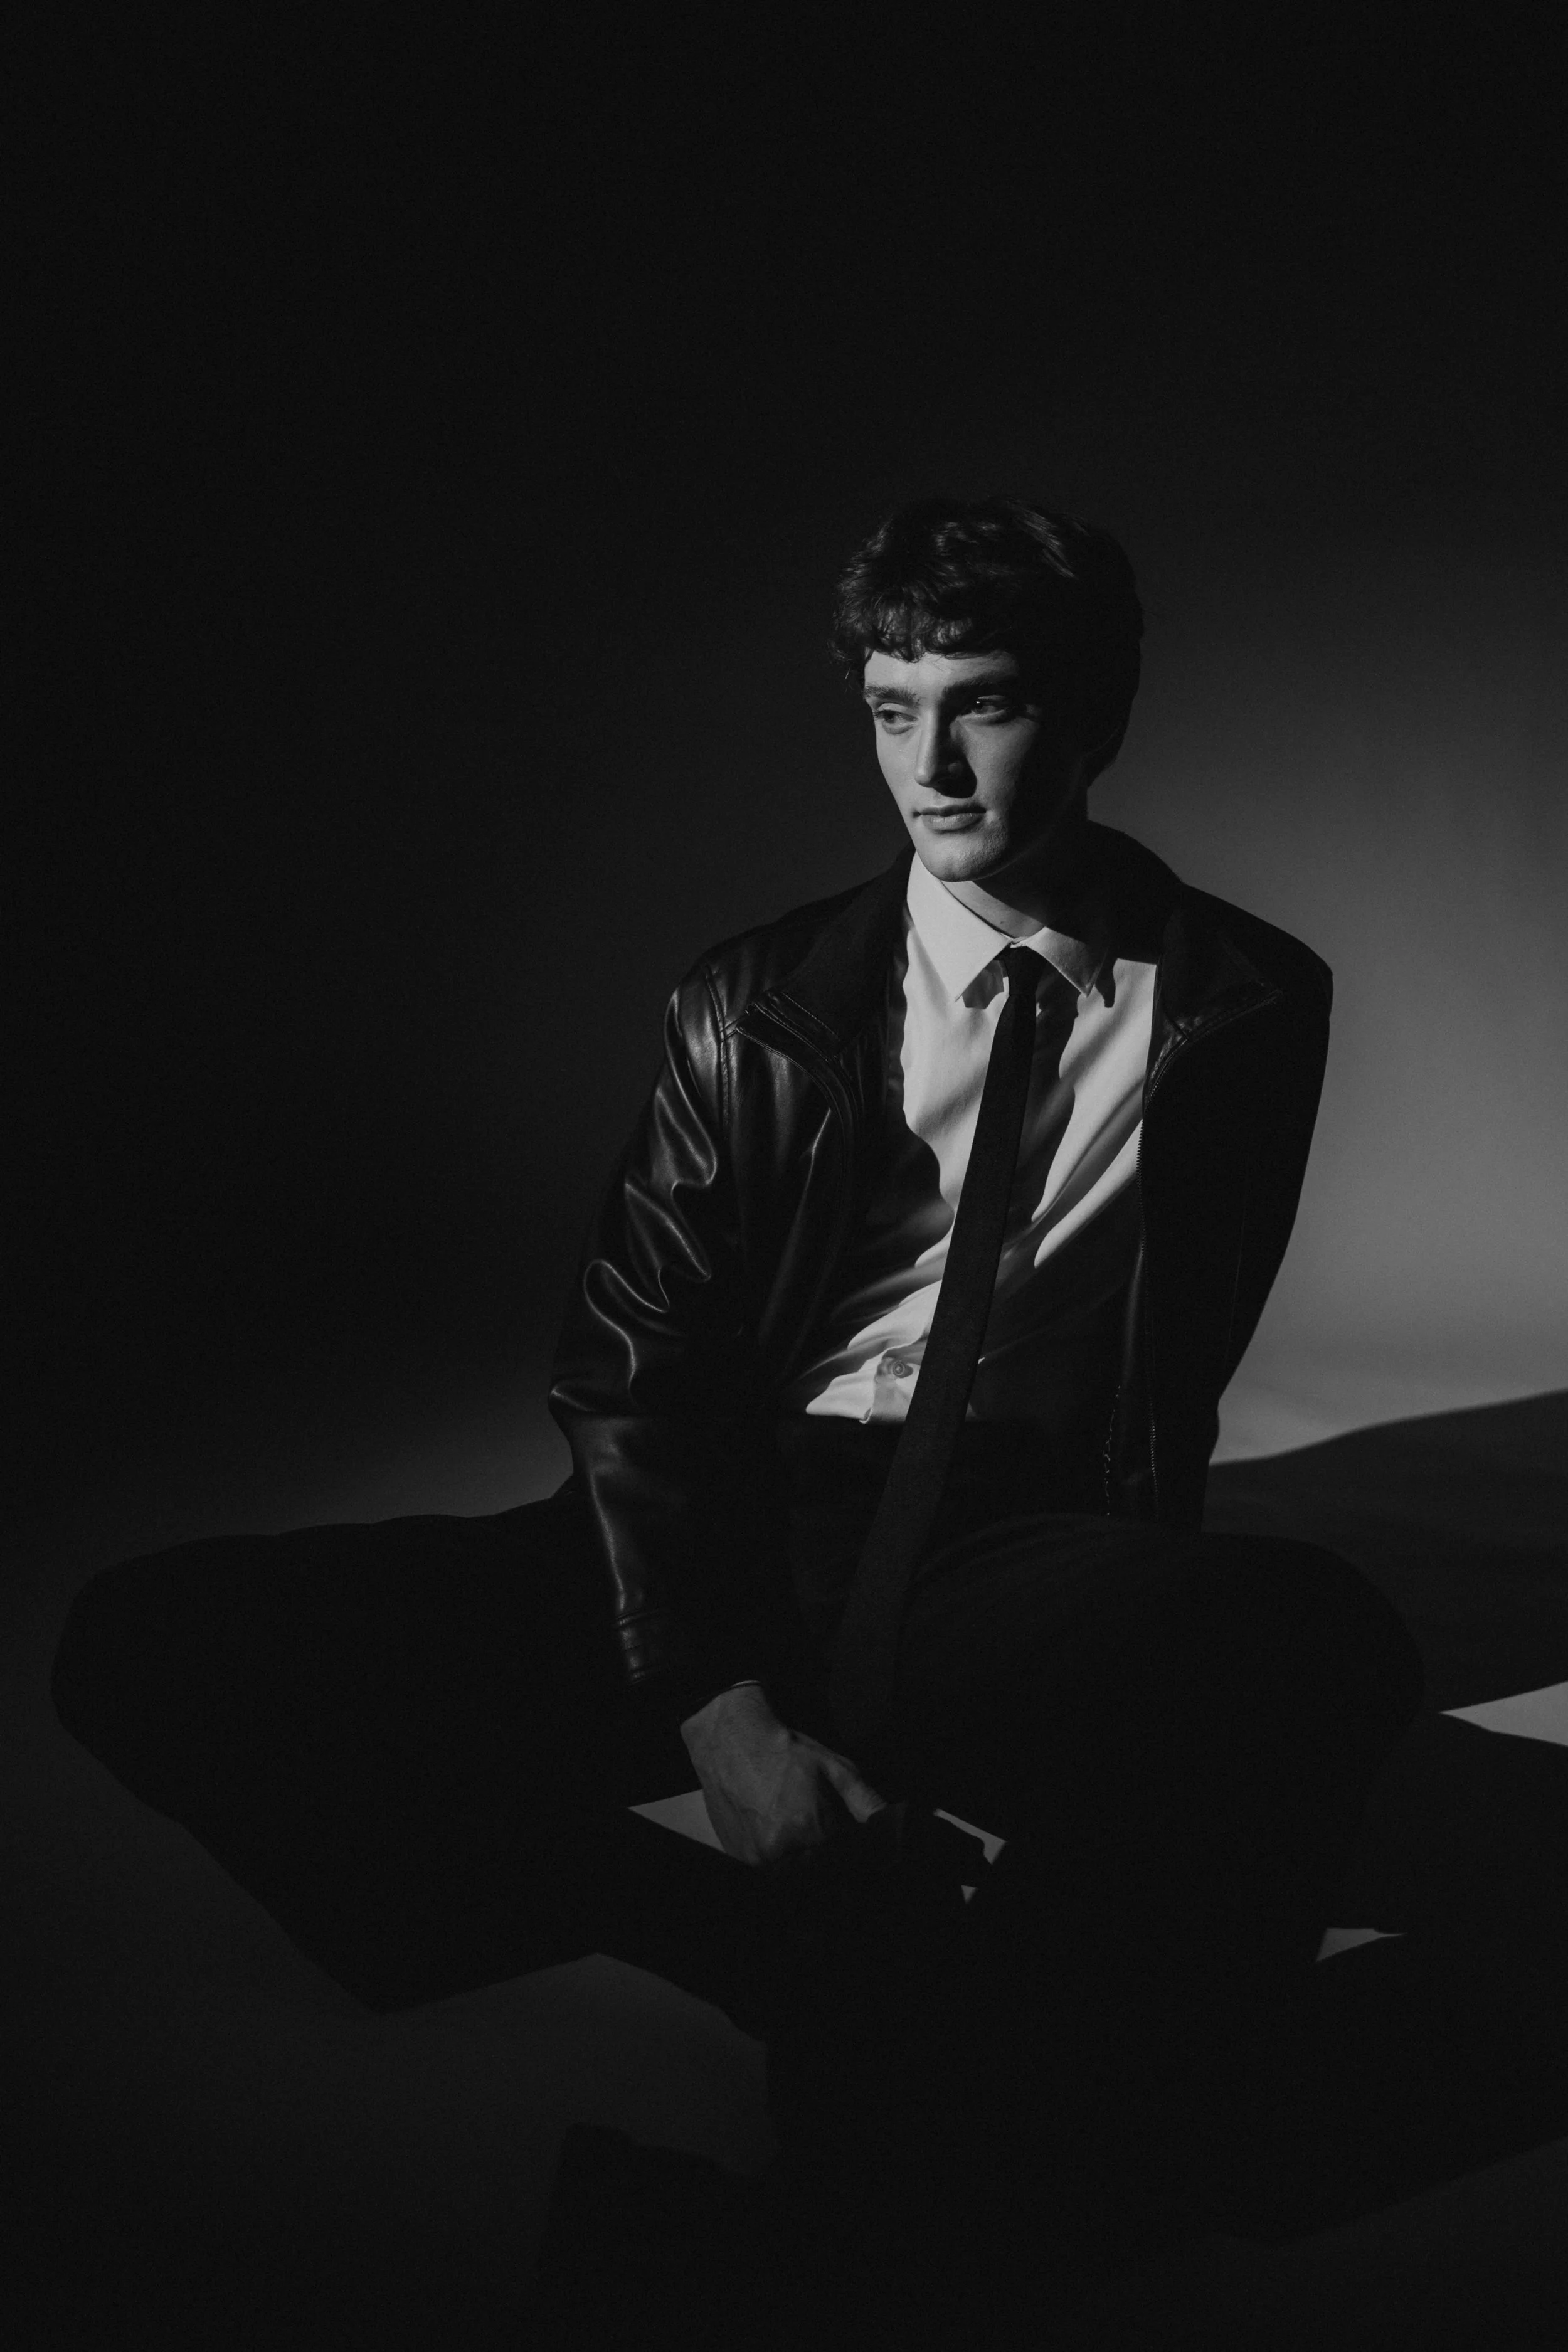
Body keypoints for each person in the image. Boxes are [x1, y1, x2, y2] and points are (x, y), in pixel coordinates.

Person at [53, 497, 1422, 2345]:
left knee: (1316, 1639)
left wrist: (1113, 1616)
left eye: (984, 703)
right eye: (886, 704)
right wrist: (721, 1704)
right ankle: (745, 1952)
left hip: (1001, 1541)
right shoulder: (756, 1001)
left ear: (1091, 715)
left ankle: (993, 2114)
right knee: (146, 1640)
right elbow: (635, 1368)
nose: (927, 762)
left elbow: (1173, 1351)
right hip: (733, 1503)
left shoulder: (1250, 999)